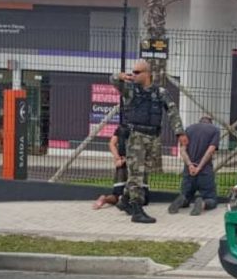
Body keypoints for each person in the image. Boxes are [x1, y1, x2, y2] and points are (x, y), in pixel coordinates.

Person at [110, 59, 187, 224]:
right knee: (136, 173)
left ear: (148, 74)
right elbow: (113, 80)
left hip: (153, 137)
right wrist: (121, 76)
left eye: (137, 72)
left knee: (144, 171)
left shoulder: (160, 92)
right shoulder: (130, 90)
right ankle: (136, 210)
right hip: (135, 136)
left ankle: (124, 200)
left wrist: (179, 132)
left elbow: (172, 111)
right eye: (133, 71)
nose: (134, 75)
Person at [169, 114, 220, 216]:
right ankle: (203, 204)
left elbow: (182, 150)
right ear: (210, 122)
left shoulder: (188, 129)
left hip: (189, 172)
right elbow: (210, 151)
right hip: (205, 171)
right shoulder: (215, 130)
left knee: (186, 195)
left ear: (200, 120)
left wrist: (190, 165)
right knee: (211, 199)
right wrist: (199, 167)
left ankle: (182, 200)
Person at [93, 125, 132, 210]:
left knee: (117, 196)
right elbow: (112, 143)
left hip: (124, 162)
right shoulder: (133, 127)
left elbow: (112, 143)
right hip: (130, 164)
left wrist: (118, 158)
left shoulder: (121, 127)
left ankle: (106, 199)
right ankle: (105, 199)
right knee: (139, 196)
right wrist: (118, 159)